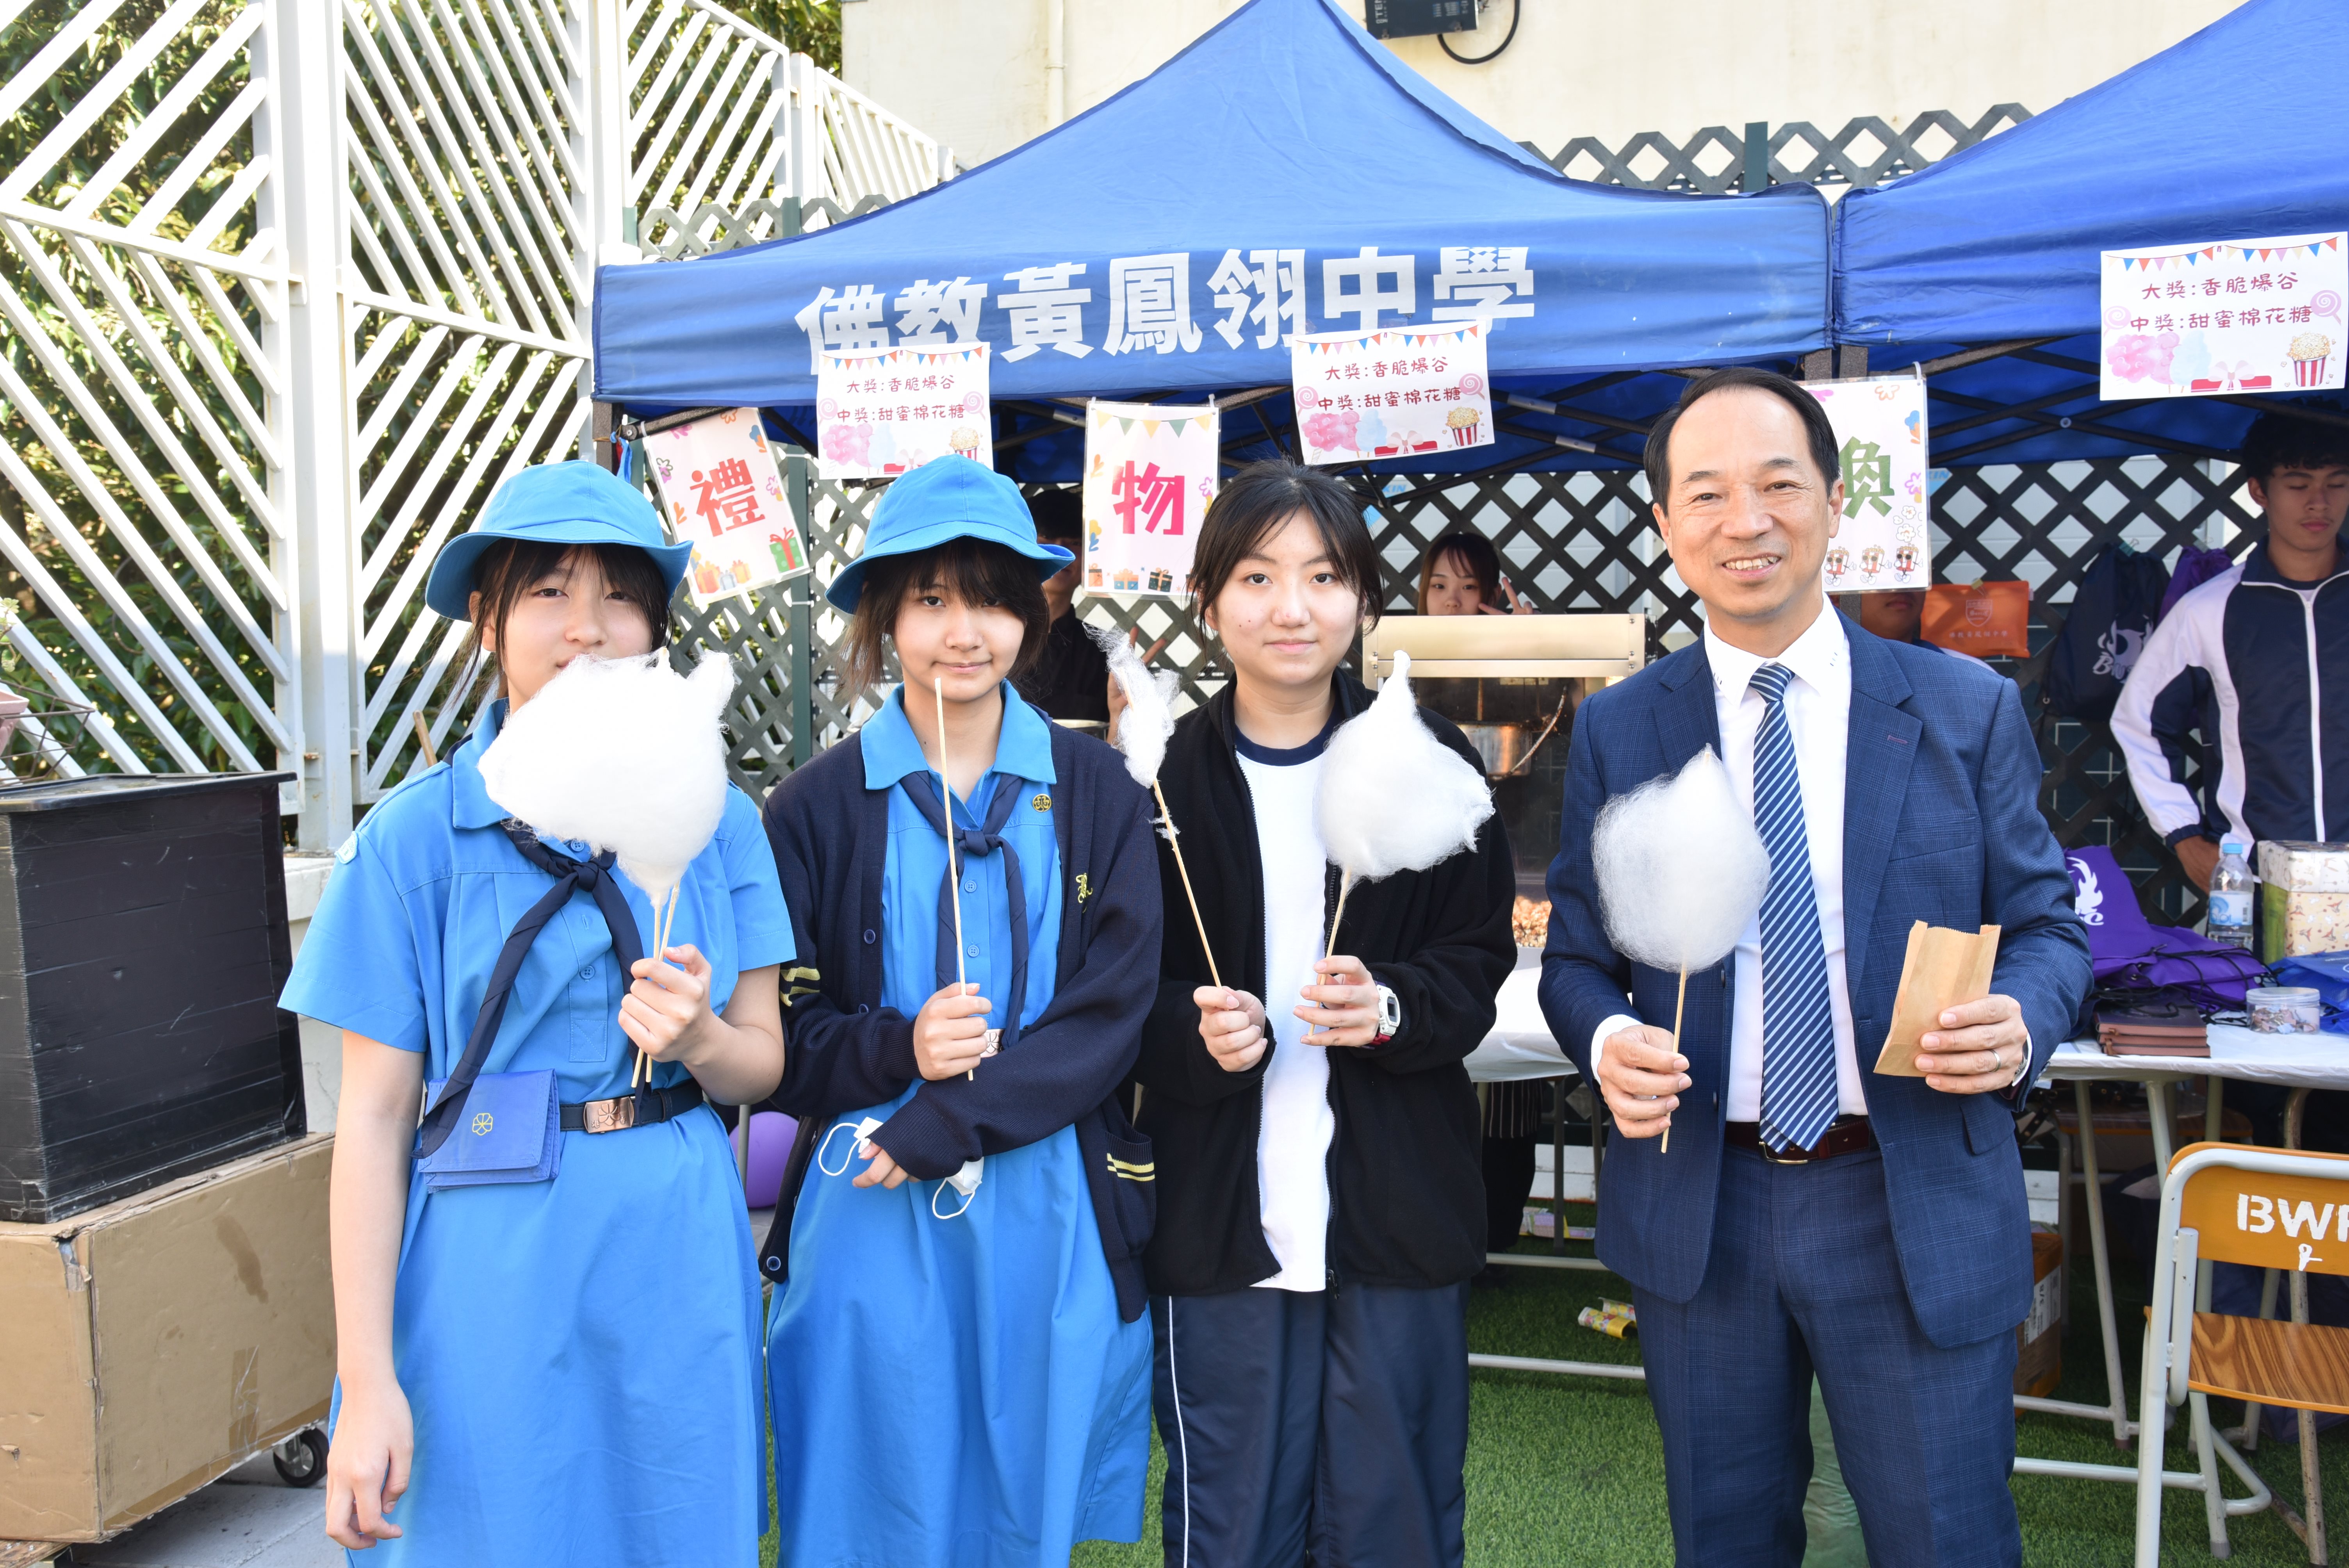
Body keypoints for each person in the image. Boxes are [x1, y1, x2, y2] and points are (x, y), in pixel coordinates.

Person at [1540, 368, 2090, 1565]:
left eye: (1778, 484)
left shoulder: (1963, 708)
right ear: (1665, 524)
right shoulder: (1623, 725)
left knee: (1943, 1539)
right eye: (1707, 493)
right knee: (1726, 1537)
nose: (1746, 521)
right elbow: (1576, 957)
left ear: (1836, 503)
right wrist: (1606, 1037)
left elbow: (2050, 928)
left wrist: (2020, 1018)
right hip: (1703, 1198)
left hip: (1905, 1188)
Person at [284, 462, 791, 1564]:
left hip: (671, 1234)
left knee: (670, 1532)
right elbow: (373, 1119)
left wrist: (702, 1039)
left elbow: (761, 1066)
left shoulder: (720, 821)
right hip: (485, 1249)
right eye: (550, 591)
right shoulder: (413, 839)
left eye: (619, 598)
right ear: (488, 619)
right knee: (488, 1529)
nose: (586, 628)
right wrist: (365, 1380)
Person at [756, 456, 1163, 1567]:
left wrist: (956, 1113)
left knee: (1020, 1516)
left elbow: (1113, 1013)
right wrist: (899, 1047)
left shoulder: (1101, 791)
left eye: (989, 597)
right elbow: (778, 1041)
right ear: (885, 616)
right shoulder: (809, 808)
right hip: (868, 1195)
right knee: (865, 1509)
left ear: (1031, 613)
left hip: (1052, 1202)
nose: (963, 631)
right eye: (930, 598)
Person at [1136, 461, 1515, 1568]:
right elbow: (1112, 992)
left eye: (1323, 576)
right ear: (1209, 599)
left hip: (1395, 1211)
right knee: (1232, 1527)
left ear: (1362, 598)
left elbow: (1477, 956)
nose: (1291, 608)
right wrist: (1187, 1029)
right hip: (1220, 1216)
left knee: (1394, 1523)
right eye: (1257, 577)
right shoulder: (1159, 780)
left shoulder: (1424, 758)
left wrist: (1392, 1004)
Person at [2112, 408, 2349, 893]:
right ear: (2259, 490)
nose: (2319, 503)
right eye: (2298, 484)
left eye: (2338, 483)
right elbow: (2140, 723)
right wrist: (2184, 836)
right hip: (2258, 882)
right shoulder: (2207, 611)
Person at [1413, 529, 1542, 1277]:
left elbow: (1557, 736)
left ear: (1493, 594)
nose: (1454, 602)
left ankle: (1499, 1225)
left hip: (1515, 866)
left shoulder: (1521, 668)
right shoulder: (1397, 673)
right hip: (1424, 881)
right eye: (1440, 586)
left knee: (1509, 1087)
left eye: (1469, 587)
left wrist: (1528, 654)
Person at [1012, 487, 1113, 722]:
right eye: (1046, 539)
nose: (1060, 551)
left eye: (1074, 542)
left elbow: (1112, 741)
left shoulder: (1105, 654)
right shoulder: (989, 639)